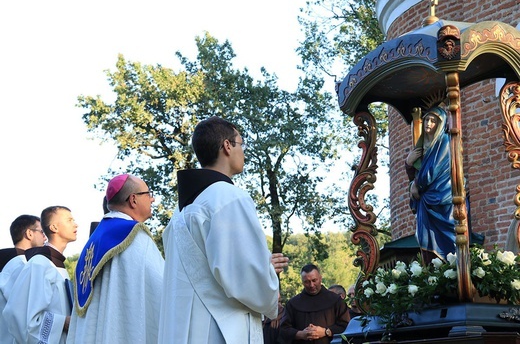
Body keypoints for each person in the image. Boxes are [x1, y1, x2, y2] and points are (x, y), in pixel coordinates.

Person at [158, 116, 288, 344]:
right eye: (241, 144)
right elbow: (245, 277)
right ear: (227, 146)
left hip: (186, 328)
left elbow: (210, 268)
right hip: (218, 329)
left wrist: (260, 265)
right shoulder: (229, 198)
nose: (243, 152)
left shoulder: (180, 213)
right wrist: (264, 273)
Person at [67, 174, 164, 343]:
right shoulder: (135, 236)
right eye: (148, 194)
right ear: (133, 200)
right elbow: (161, 289)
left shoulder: (93, 241)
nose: (153, 199)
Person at [4, 206, 78, 344]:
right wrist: (62, 323)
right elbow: (21, 317)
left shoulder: (57, 265)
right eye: (69, 220)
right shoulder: (39, 264)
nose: (76, 224)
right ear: (54, 227)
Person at [405, 105, 455, 263]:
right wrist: (408, 163)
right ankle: (430, 273)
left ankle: (450, 271)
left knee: (447, 243)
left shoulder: (444, 142)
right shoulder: (422, 146)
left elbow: (431, 172)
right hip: (425, 201)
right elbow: (416, 173)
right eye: (427, 119)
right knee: (424, 239)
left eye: (433, 121)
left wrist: (416, 184)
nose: (428, 123)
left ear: (440, 124)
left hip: (441, 198)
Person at [0, 215, 46, 343]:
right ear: (29, 233)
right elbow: (24, 313)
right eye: (42, 232)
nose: (45, 237)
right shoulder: (20, 265)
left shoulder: (9, 263)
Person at [280, 264, 349, 343]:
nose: (311, 285)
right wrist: (301, 334)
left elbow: (345, 325)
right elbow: (284, 329)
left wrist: (325, 332)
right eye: (307, 282)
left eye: (314, 280)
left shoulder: (336, 300)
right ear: (302, 282)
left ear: (320, 278)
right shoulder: (293, 304)